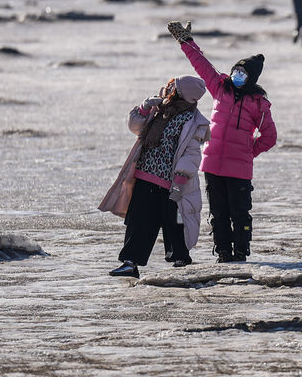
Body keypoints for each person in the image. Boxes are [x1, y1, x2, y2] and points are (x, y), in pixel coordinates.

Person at [167, 21, 277, 262]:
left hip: (239, 168)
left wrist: (249, 151)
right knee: (218, 213)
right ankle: (223, 252)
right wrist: (186, 41)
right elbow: (201, 64)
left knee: (239, 212)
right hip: (213, 165)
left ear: (251, 78)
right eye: (236, 71)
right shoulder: (220, 88)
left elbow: (269, 137)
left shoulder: (258, 104)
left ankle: (240, 252)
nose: (237, 76)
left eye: (243, 74)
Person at [99, 75, 210, 277]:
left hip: (171, 182)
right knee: (138, 222)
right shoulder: (160, 109)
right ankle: (130, 263)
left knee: (174, 221)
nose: (167, 89)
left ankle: (181, 260)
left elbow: (192, 154)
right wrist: (143, 108)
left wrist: (180, 179)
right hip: (144, 175)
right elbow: (135, 127)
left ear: (182, 92)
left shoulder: (193, 121)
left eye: (172, 87)